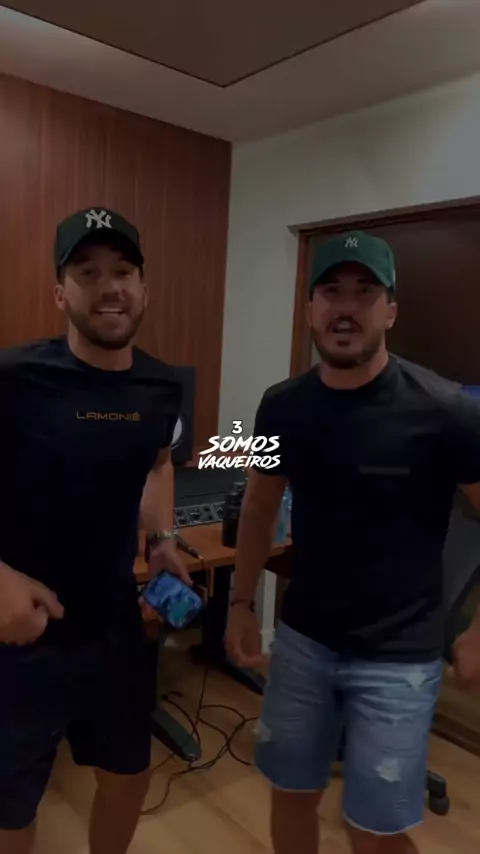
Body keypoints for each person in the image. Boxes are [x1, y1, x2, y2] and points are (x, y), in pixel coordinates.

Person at [226, 230, 480, 854]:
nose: (345, 308)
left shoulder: (446, 410)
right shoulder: (281, 406)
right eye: (331, 291)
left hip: (400, 658)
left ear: (390, 310)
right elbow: (259, 507)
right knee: (290, 794)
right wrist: (240, 602)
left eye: (364, 292)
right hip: (303, 642)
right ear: (310, 309)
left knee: (375, 829)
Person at [0, 207, 191, 854]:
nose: (109, 287)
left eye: (123, 271)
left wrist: (162, 541)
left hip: (114, 626)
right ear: (61, 293)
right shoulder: (14, 378)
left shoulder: (161, 385)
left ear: (144, 288)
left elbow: (158, 464)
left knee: (129, 779)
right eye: (87, 272)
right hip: (21, 636)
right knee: (11, 810)